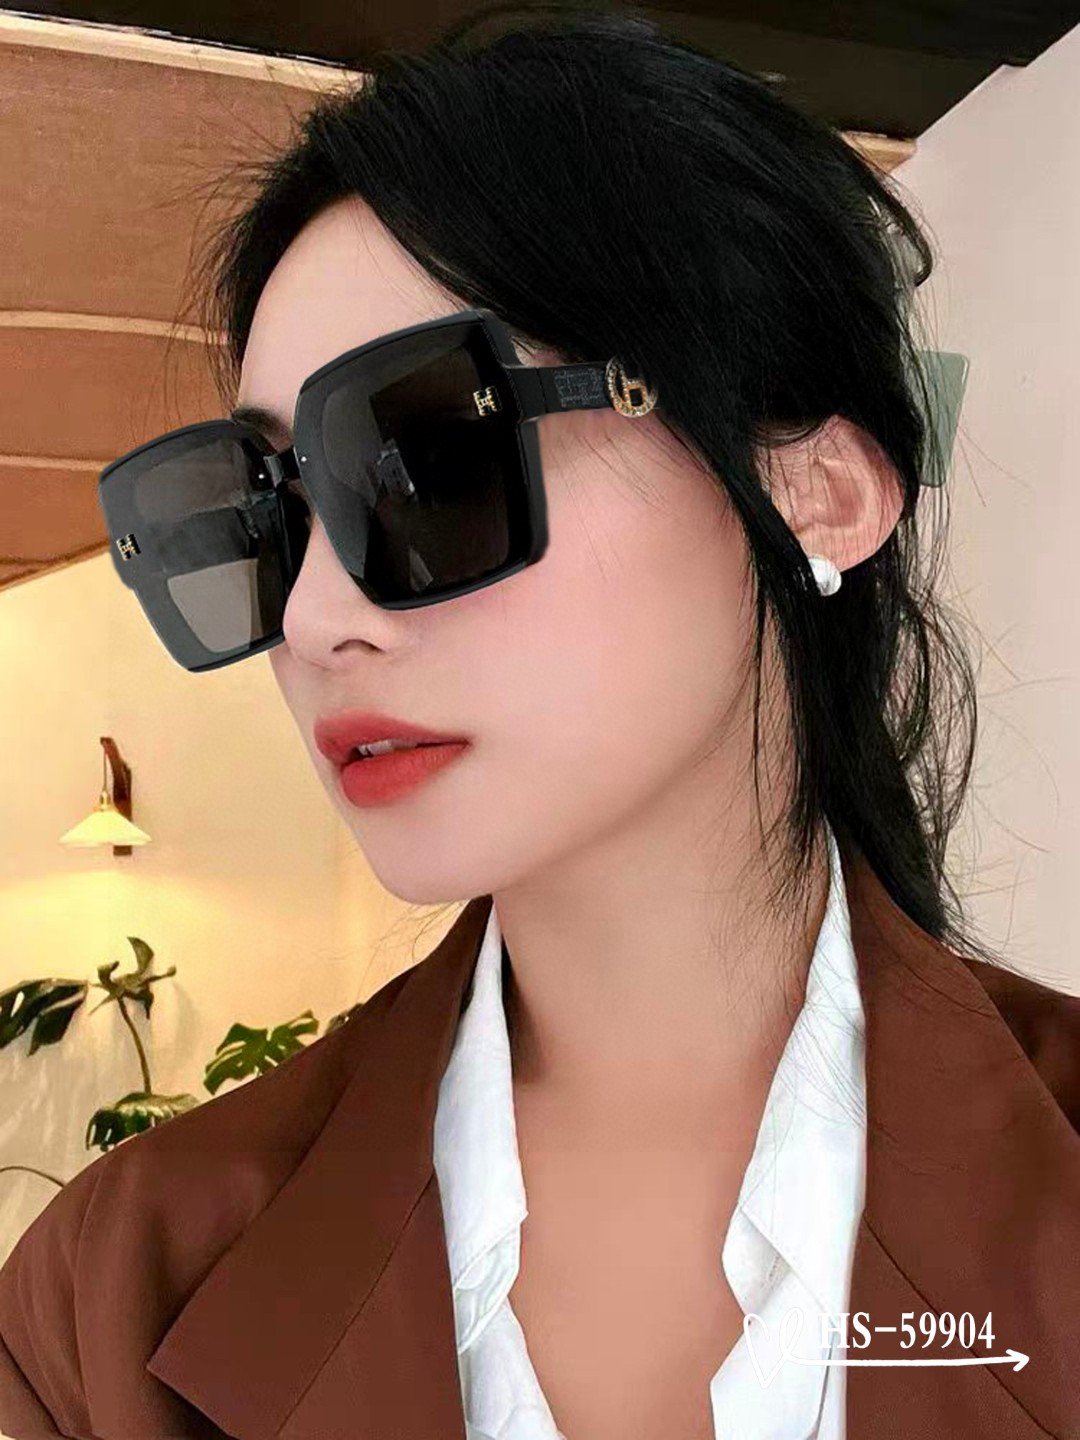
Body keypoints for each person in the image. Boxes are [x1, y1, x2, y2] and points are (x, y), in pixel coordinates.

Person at [2, 5, 1078, 1438]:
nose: (314, 618)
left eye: (432, 458)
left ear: (816, 490)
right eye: (264, 513)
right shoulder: (109, 1297)